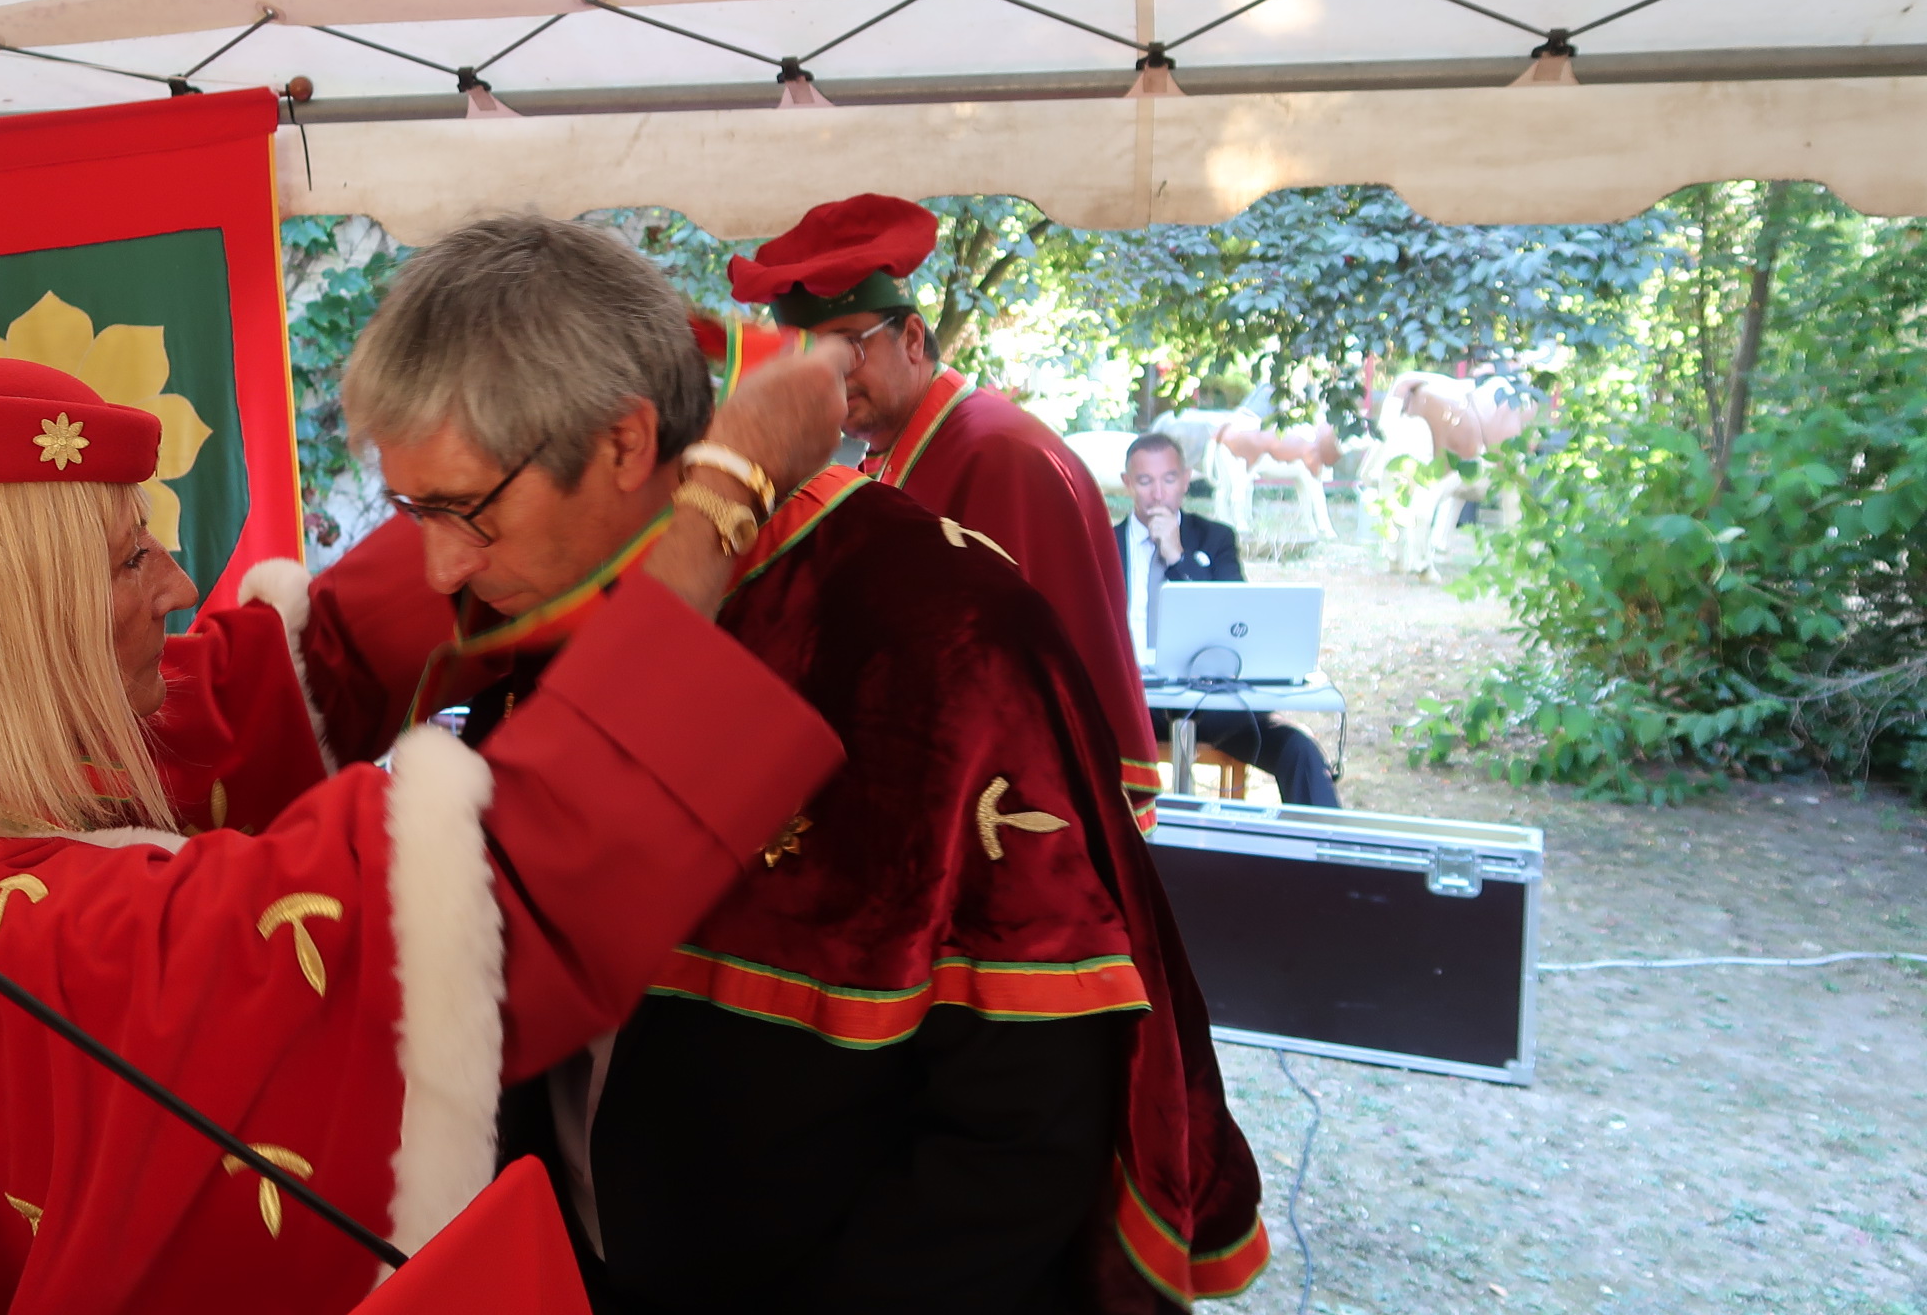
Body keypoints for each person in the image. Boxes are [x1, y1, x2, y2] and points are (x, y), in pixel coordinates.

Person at [303, 216, 1266, 1313]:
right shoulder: (531, 604)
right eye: (413, 510)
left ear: (624, 445)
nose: (438, 567)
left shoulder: (936, 629)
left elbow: (1025, 1121)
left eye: (462, 510)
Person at [0, 354, 850, 1314]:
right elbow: (503, 890)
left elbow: (273, 688)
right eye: (132, 560)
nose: (180, 585)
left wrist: (511, 498)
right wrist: (726, 491)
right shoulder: (66, 947)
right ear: (11, 636)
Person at [727, 193, 1166, 826]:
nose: (829, 378)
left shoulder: (997, 455)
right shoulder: (895, 454)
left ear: (911, 337)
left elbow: (1009, 691)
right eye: (808, 359)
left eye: (848, 348)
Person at [1118, 432, 1341, 808]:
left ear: (1186, 480)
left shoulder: (1216, 538)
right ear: (1127, 483)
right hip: (1129, 704)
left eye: (1168, 479)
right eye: (1145, 481)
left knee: (1300, 752)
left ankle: (1323, 844)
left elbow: (1235, 619)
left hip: (1212, 705)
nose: (1158, 494)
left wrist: (1178, 558)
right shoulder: (1101, 544)